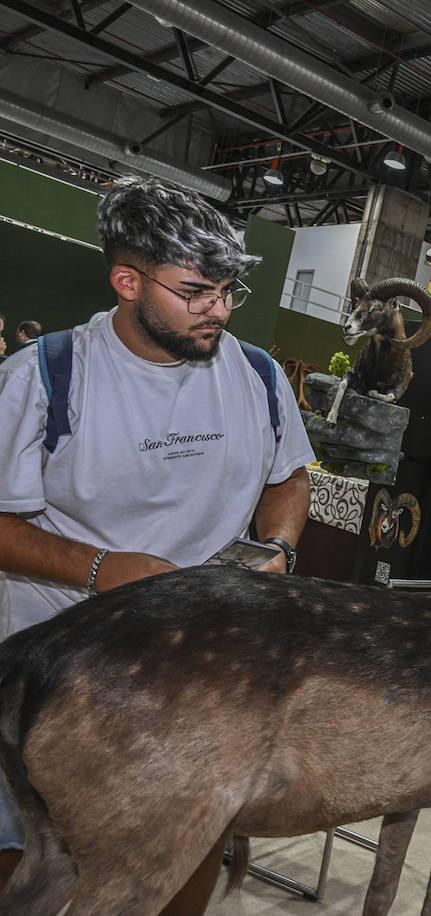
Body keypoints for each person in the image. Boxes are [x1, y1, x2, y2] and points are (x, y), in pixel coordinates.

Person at [0, 176, 316, 913]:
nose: (221, 309)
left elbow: (288, 477)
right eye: (197, 291)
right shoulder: (43, 380)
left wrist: (279, 547)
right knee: (28, 871)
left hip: (193, 683)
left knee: (185, 854)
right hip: (50, 681)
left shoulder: (257, 375)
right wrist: (104, 568)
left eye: (229, 289)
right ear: (127, 280)